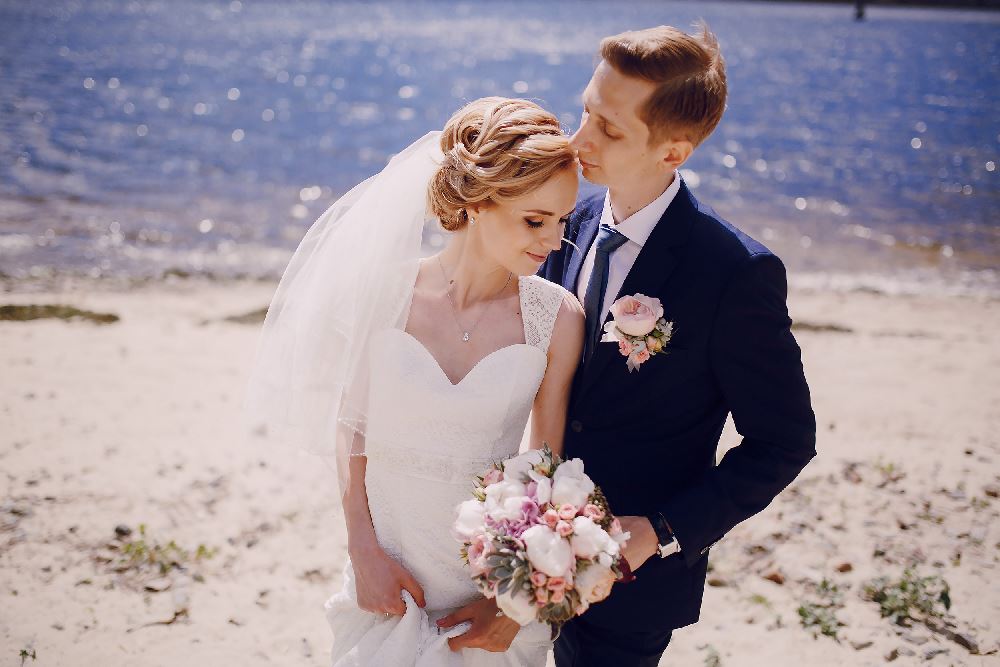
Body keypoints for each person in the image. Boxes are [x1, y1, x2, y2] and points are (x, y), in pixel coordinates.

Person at [245, 97, 584, 665]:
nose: (553, 242)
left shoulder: (557, 317)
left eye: (562, 222)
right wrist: (362, 551)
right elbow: (351, 426)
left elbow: (546, 463)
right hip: (391, 566)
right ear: (477, 202)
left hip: (484, 580)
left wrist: (512, 600)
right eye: (535, 220)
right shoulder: (386, 292)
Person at [539, 24, 817, 666]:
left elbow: (784, 441)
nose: (579, 141)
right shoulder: (562, 228)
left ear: (674, 152)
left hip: (629, 585)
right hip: (521, 535)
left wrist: (661, 533)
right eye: (585, 111)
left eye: (609, 129)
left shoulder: (734, 274)